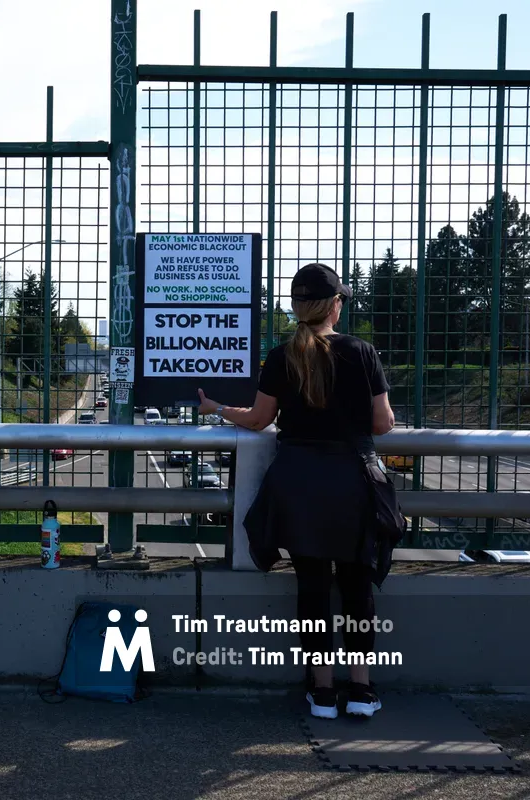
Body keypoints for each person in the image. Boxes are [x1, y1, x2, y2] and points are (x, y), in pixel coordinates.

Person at [197, 263, 395, 720]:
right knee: (356, 585)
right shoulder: (362, 352)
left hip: (299, 482)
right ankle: (361, 692)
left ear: (297, 307)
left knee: (311, 587)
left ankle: (322, 692)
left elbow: (258, 419)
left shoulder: (282, 355)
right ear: (335, 305)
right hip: (351, 482)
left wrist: (215, 407)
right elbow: (383, 424)